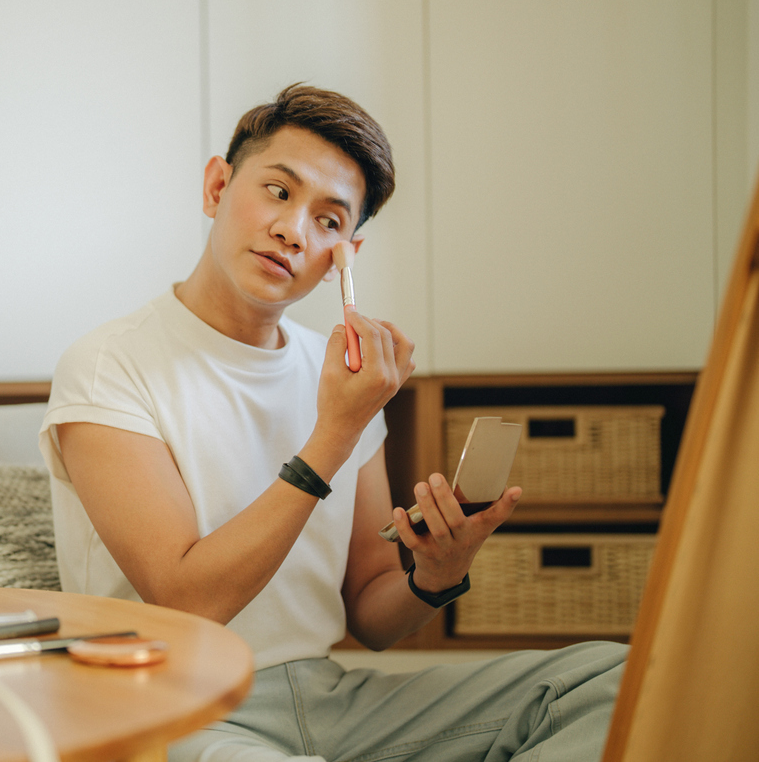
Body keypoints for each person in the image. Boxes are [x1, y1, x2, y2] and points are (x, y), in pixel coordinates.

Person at [37, 84, 626, 761]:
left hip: (327, 699)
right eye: (278, 192)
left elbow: (370, 615)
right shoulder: (109, 363)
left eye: (327, 221)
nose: (293, 230)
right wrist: (333, 433)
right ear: (216, 186)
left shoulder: (337, 375)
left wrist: (435, 574)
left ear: (342, 256)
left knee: (610, 680)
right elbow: (186, 601)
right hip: (175, 706)